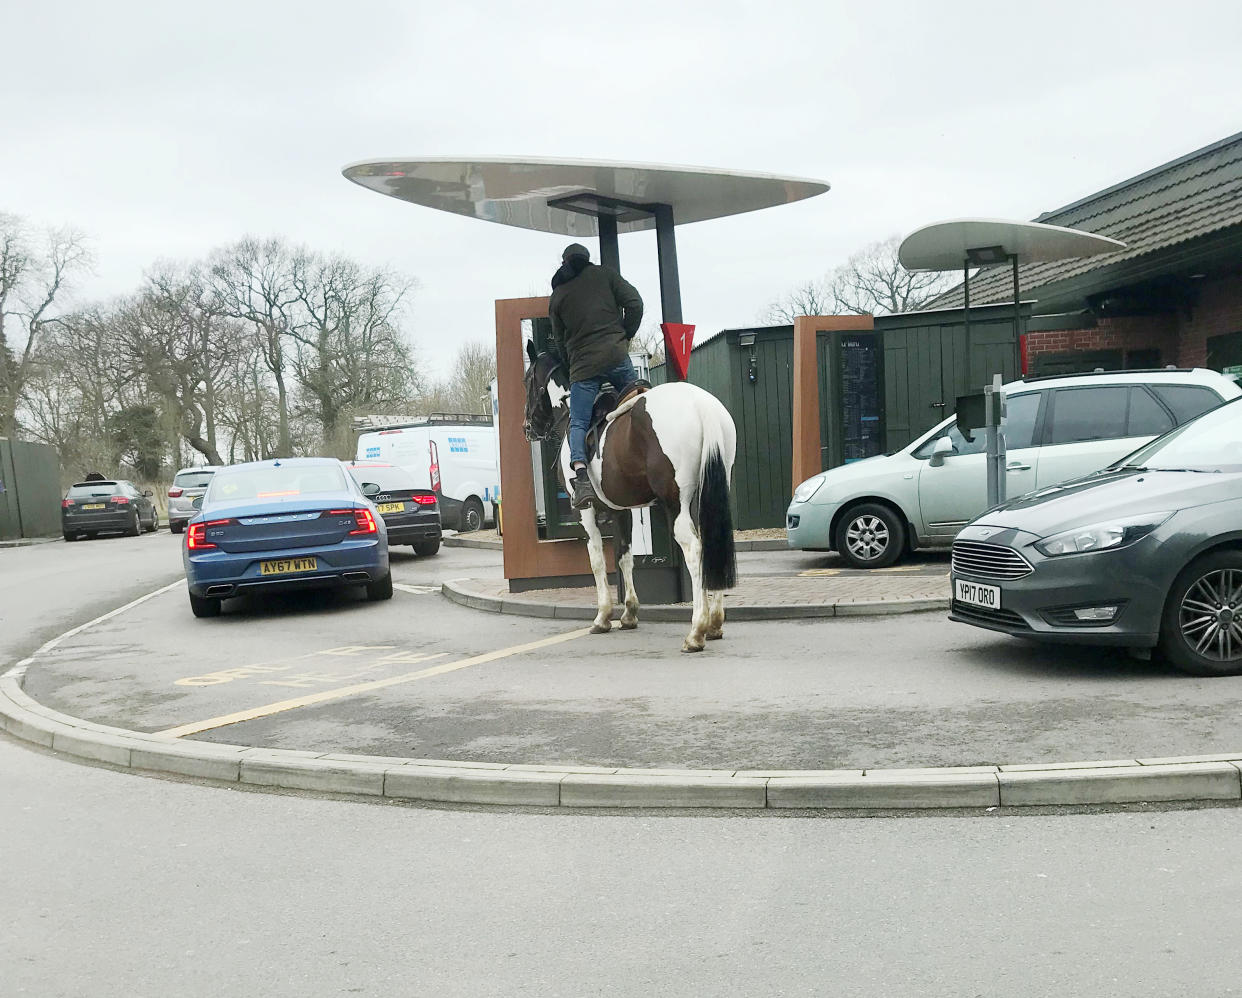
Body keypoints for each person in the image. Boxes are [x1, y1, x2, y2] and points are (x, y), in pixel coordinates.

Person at [548, 242, 644, 508]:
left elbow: (559, 340)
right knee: (640, 404)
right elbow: (635, 303)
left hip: (584, 368)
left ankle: (581, 478)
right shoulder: (606, 275)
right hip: (616, 357)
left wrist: (571, 366)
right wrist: (624, 334)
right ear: (587, 259)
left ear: (564, 262)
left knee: (578, 422)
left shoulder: (558, 296)